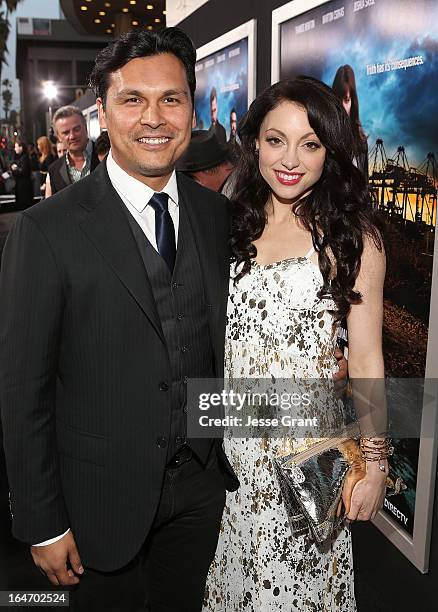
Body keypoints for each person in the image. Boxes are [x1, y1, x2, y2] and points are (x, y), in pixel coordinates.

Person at [0, 27, 238, 612]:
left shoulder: (217, 215)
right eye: (133, 99)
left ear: (191, 107)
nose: (153, 117)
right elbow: (21, 387)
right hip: (98, 503)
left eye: (171, 99)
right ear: (101, 111)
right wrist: (41, 521)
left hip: (203, 492)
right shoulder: (46, 230)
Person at [204, 77, 387, 611]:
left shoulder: (353, 237)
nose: (291, 159)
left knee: (298, 595)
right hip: (233, 458)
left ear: (330, 150)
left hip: (311, 460)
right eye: (275, 139)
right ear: (253, 141)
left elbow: (368, 357)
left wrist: (374, 464)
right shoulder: (230, 221)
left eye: (310, 144)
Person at [45, 105, 100, 197]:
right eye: (66, 132)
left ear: (86, 127)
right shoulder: (54, 170)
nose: (72, 136)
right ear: (58, 137)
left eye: (76, 129)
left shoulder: (109, 156)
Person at [332, 65, 368, 178]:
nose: (342, 106)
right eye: (338, 99)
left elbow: (364, 184)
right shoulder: (324, 137)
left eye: (346, 100)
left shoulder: (361, 142)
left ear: (353, 101)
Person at [10, 140, 34, 210]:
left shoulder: (24, 157)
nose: (15, 149)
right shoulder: (22, 157)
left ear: (21, 147)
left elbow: (23, 172)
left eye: (16, 147)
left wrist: (14, 170)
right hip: (22, 185)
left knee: (24, 205)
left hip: (24, 186)